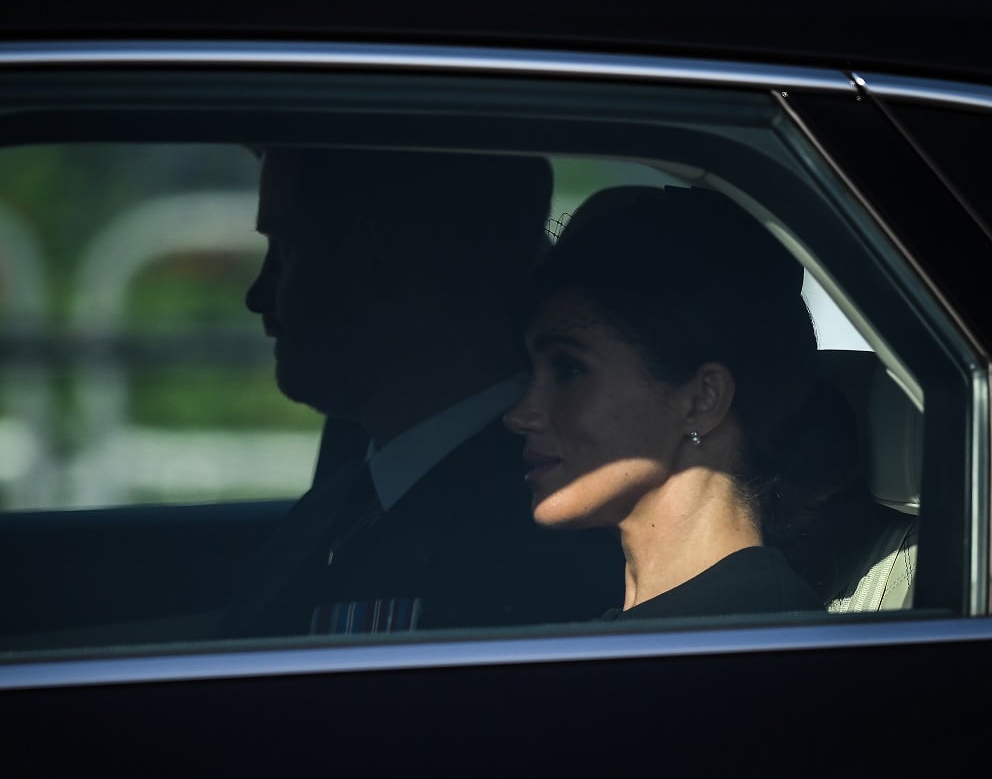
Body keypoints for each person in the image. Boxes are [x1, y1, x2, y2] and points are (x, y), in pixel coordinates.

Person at [216, 146, 624, 638]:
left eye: (287, 249)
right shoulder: (351, 497)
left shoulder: (541, 536)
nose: (258, 294)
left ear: (387, 266)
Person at [503, 185, 832, 620]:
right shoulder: (696, 629)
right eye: (532, 374)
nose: (519, 415)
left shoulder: (746, 646)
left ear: (702, 400)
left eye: (568, 370)